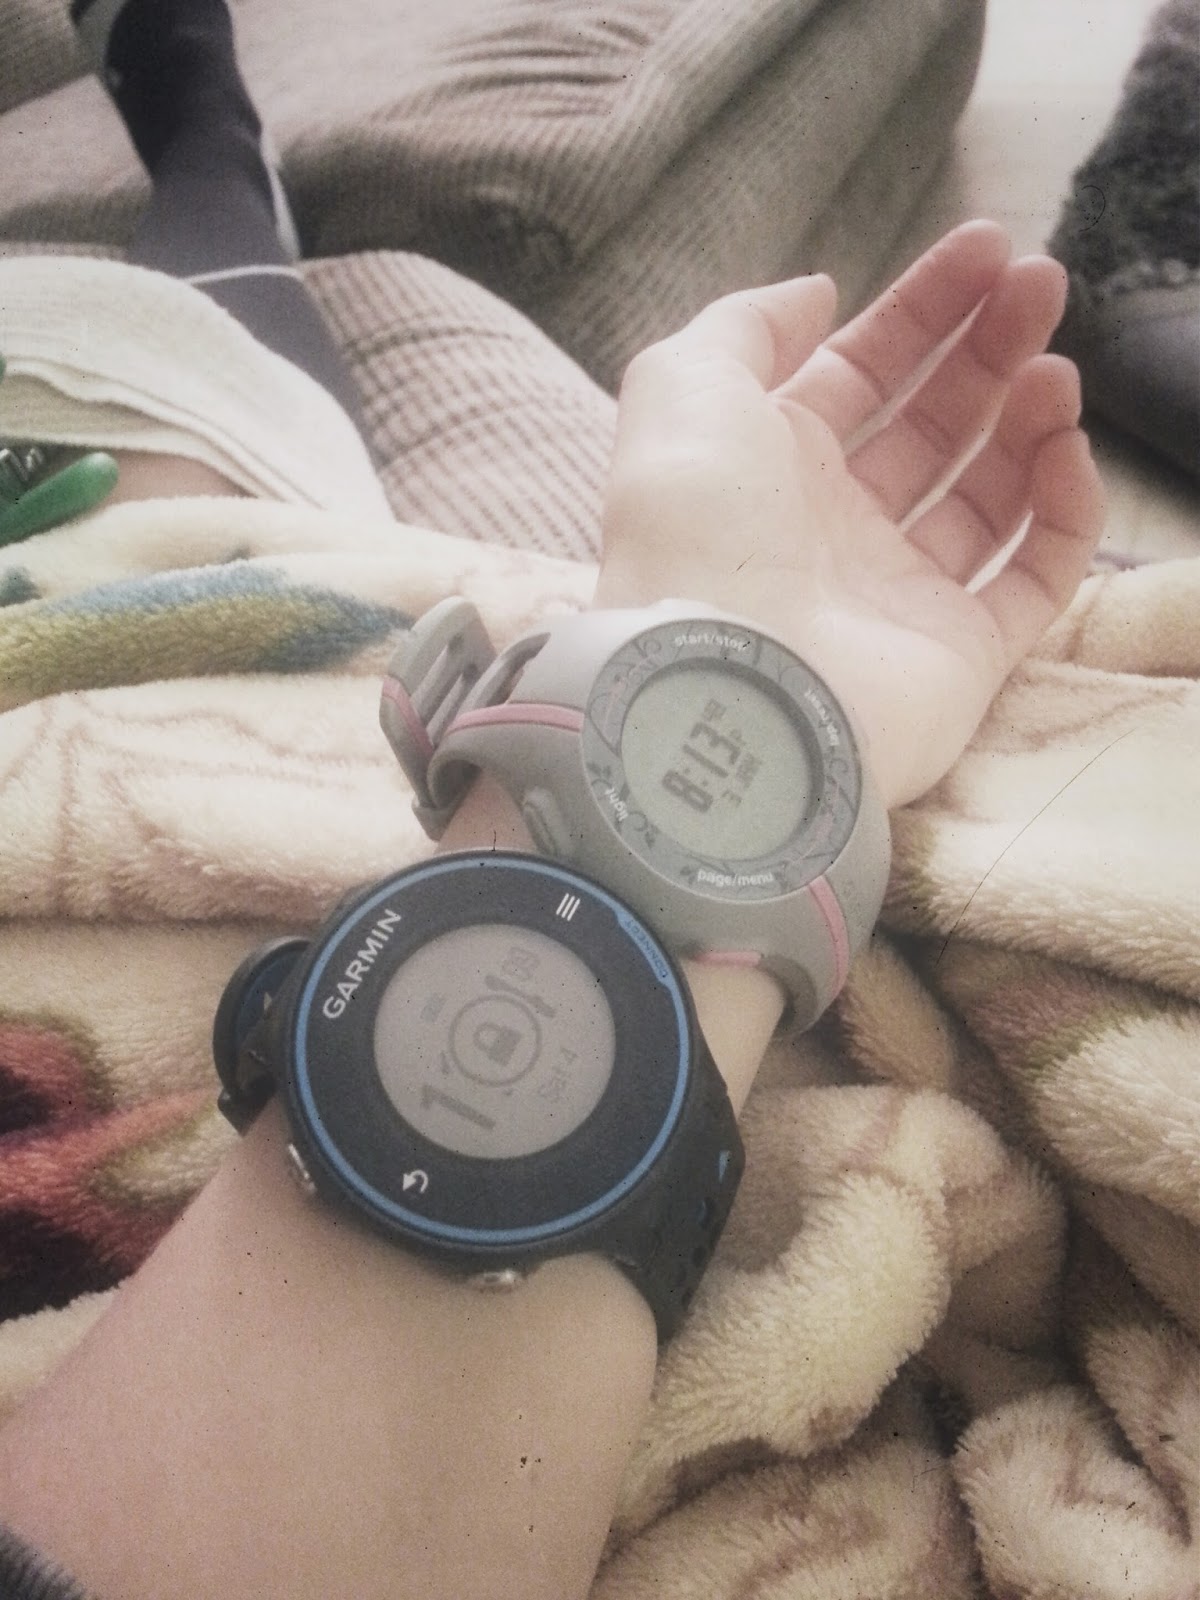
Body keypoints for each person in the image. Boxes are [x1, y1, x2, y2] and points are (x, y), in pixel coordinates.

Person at [0, 2, 1105, 1596]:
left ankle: (193, 109)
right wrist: (746, 678)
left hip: (72, 479)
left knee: (180, 347)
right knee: (223, 359)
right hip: (158, 507)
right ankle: (200, 123)